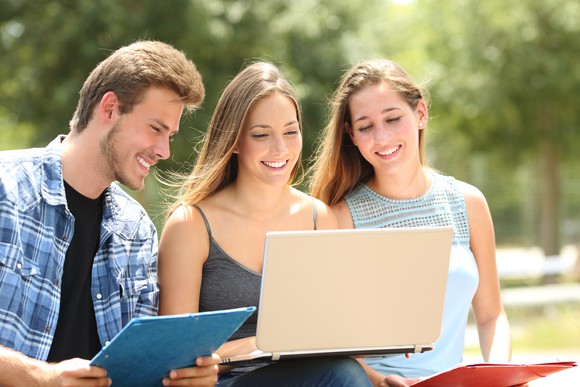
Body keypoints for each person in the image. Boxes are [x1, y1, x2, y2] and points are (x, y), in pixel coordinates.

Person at [0, 40, 220, 387]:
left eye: (171, 135)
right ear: (110, 108)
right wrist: (42, 378)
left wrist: (183, 375)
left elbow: (138, 369)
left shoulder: (137, 231)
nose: (163, 150)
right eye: (155, 128)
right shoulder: (6, 190)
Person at [158, 61, 372, 387]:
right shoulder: (191, 225)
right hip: (222, 382)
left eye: (290, 132)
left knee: (347, 373)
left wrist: (379, 377)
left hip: (312, 378)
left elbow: (334, 334)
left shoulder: (320, 219)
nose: (280, 149)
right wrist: (258, 346)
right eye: (261, 135)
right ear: (234, 141)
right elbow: (175, 355)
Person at [308, 59, 513, 386]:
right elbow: (333, 343)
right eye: (365, 126)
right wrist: (379, 380)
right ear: (352, 135)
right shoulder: (338, 218)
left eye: (392, 118)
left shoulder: (469, 203)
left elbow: (491, 316)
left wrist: (502, 375)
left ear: (420, 114)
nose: (382, 137)